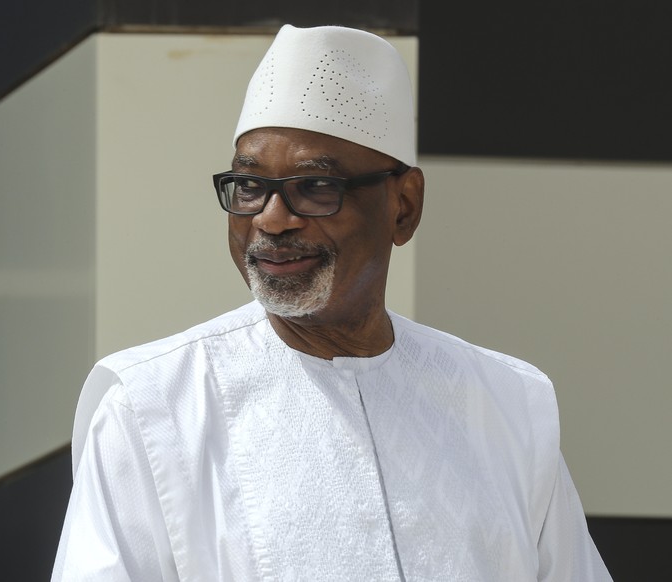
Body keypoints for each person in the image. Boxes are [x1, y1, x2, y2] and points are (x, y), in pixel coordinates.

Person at [51, 24, 612, 581]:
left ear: (404, 206)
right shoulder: (154, 408)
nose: (271, 218)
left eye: (316, 188)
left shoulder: (506, 406)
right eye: (249, 187)